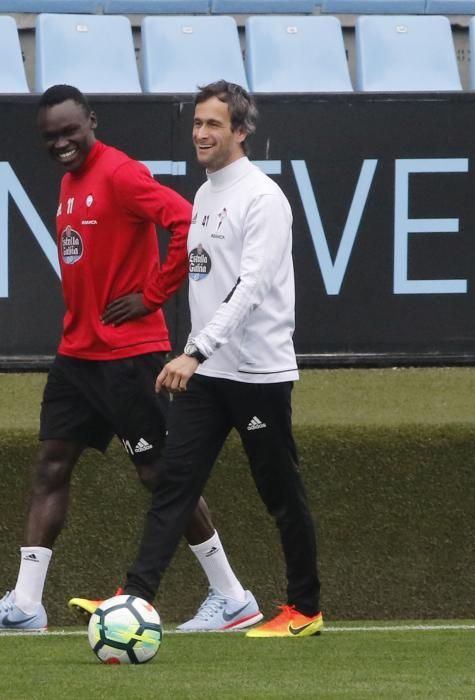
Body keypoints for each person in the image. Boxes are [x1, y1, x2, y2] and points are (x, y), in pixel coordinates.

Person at [0, 84, 260, 634]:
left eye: (70, 132)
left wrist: (153, 294)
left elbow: (184, 220)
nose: (61, 144)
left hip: (128, 354)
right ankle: (26, 605)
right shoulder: (71, 183)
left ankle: (232, 596)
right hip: (76, 354)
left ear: (91, 122)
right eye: (51, 137)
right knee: (51, 464)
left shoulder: (120, 173)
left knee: (158, 472)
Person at [110, 80, 322, 638]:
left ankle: (305, 608)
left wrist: (193, 350)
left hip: (258, 375)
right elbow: (203, 277)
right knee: (174, 484)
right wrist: (198, 355)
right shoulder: (204, 195)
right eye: (198, 123)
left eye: (214, 125)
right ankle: (134, 600)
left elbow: (250, 287)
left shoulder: (263, 198)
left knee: (280, 495)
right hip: (208, 374)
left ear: (241, 132)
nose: (201, 134)